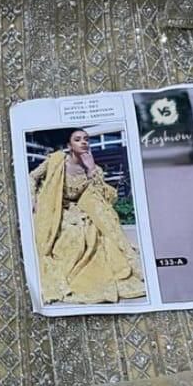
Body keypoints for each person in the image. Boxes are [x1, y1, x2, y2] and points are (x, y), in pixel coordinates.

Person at [30, 130, 145, 305]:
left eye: (86, 139)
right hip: (55, 207)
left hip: (79, 208)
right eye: (77, 139)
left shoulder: (94, 169)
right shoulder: (56, 160)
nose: (83, 142)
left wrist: (91, 169)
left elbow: (104, 198)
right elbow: (32, 177)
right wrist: (34, 199)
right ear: (69, 145)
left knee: (93, 229)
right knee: (72, 233)